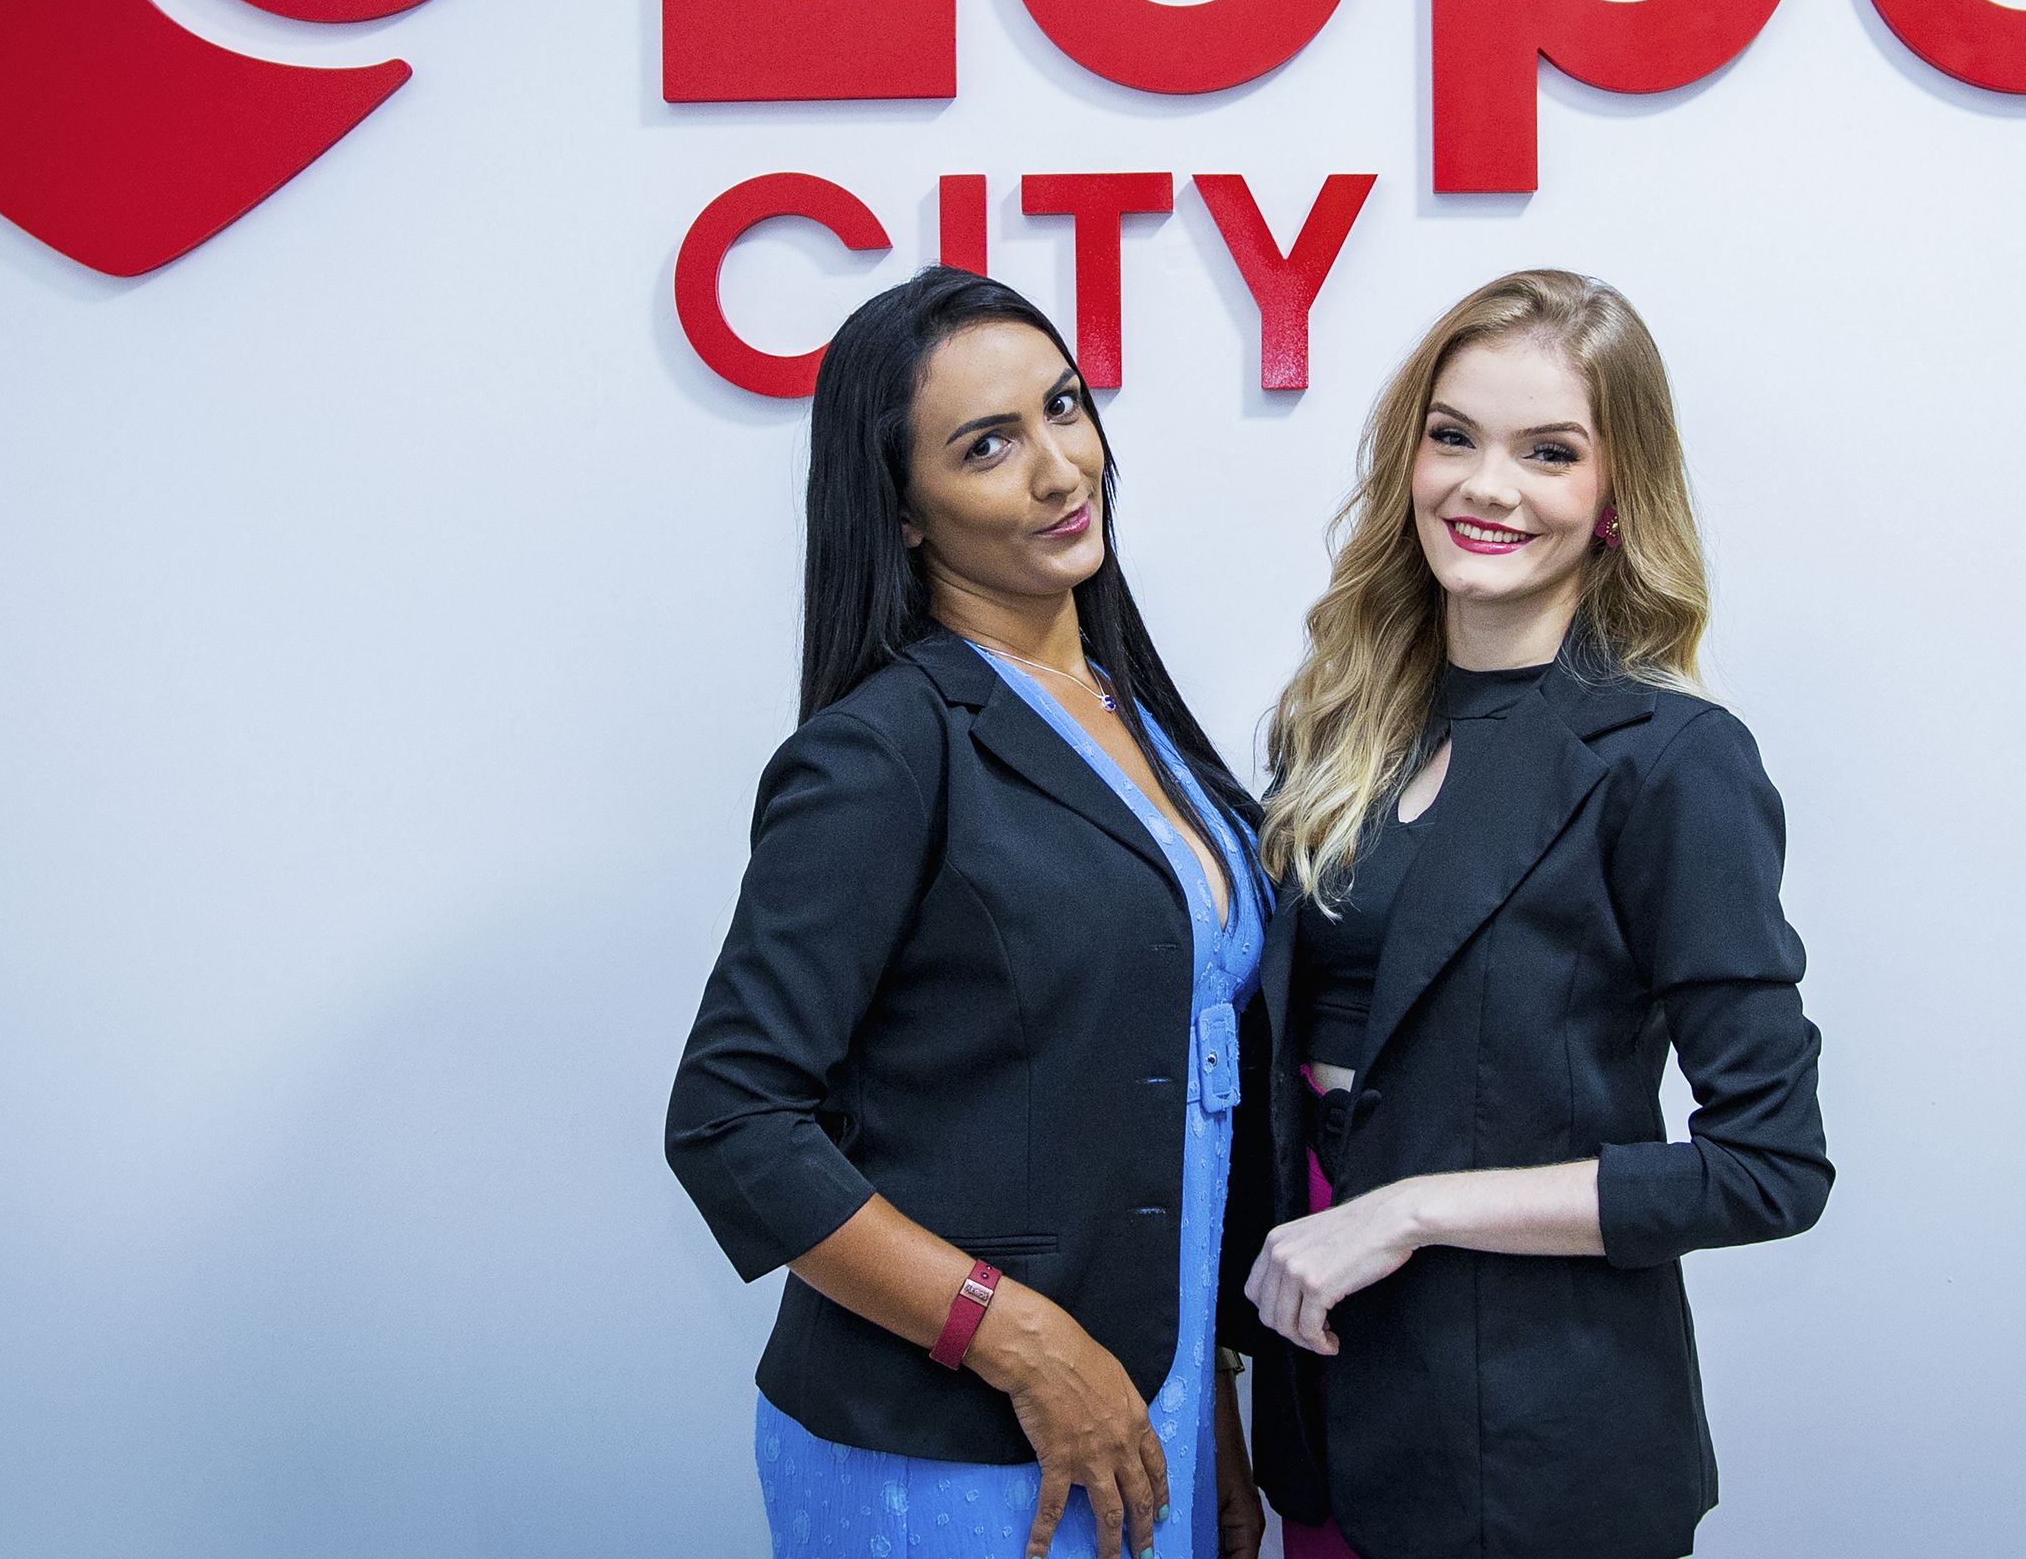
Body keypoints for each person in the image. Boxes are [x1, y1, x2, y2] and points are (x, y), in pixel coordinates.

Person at [665, 268, 1272, 1559]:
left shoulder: (1133, 712)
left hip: (1141, 1412)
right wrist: (1021, 1339)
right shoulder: (883, 749)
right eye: (987, 445)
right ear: (902, 511)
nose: (1060, 468)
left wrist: (1210, 1396)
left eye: (1064, 406)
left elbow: (1169, 1114)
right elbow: (732, 1120)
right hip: (960, 1440)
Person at [1241, 269, 1832, 1559]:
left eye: (1548, 452)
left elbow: (1768, 1167)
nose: (1487, 486)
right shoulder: (1330, 734)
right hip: (1323, 1404)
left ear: (1616, 494)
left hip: (1535, 1448)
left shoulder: (1672, 761)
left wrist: (1410, 1208)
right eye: (1453, 437)